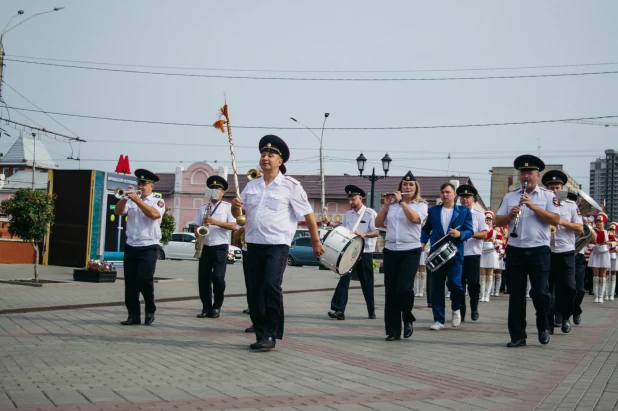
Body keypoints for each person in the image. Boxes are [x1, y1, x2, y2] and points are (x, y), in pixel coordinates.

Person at [231, 135, 324, 350]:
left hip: (277, 244)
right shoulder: (251, 185)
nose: (265, 157)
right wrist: (236, 207)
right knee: (254, 290)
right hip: (252, 243)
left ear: (280, 161)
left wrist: (315, 241)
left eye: (270, 155)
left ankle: (271, 334)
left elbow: (309, 215)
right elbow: (239, 215)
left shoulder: (291, 186)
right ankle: (260, 330)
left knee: (271, 286)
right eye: (263, 154)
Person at [495, 155, 560, 347]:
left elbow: (555, 220)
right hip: (515, 249)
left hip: (539, 249)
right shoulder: (510, 196)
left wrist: (532, 207)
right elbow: (498, 221)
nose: (526, 177)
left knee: (540, 292)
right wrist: (509, 215)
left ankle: (543, 326)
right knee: (516, 294)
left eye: (530, 173)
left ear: (537, 175)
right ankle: (518, 335)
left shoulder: (548, 196)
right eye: (523, 173)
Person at [375, 171, 427, 340]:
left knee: (404, 288)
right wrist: (385, 205)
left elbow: (414, 219)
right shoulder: (392, 205)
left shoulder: (421, 205)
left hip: (410, 250)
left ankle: (407, 317)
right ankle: (392, 330)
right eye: (405, 184)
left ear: (416, 187)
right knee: (391, 292)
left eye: (411, 184)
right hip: (391, 250)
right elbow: (377, 223)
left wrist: (402, 203)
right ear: (400, 187)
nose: (408, 187)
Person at [114, 169, 166, 326]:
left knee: (144, 279)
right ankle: (133, 315)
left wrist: (137, 200)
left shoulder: (157, 201)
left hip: (148, 246)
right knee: (130, 283)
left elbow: (154, 215)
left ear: (152, 186)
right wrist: (124, 198)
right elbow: (118, 212)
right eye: (139, 183)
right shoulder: (130, 200)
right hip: (131, 245)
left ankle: (150, 307)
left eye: (144, 184)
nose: (140, 186)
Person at [421, 182, 474, 330]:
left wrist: (460, 234)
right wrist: (422, 242)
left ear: (454, 194)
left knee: (455, 284)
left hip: (455, 253)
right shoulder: (433, 211)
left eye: (448, 192)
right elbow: (426, 229)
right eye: (443, 192)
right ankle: (439, 319)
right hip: (437, 253)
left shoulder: (464, 211)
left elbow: (470, 231)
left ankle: (456, 308)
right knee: (436, 287)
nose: (445, 195)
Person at [323, 185, 379, 320]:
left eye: (353, 199)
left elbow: (377, 231)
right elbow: (344, 230)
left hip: (365, 251)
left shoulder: (370, 213)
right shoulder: (348, 214)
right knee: (344, 277)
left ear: (360, 198)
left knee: (367, 282)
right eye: (349, 199)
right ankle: (338, 309)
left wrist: (364, 233)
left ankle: (371, 311)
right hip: (350, 251)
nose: (350, 202)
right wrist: (330, 223)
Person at [542, 170, 583, 334]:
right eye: (551, 187)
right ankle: (549, 321)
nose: (554, 190)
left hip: (566, 252)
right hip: (547, 251)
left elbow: (579, 227)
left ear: (562, 188)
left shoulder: (571, 205)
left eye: (557, 187)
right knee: (547, 290)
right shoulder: (542, 206)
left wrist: (561, 222)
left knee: (569, 288)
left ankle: (565, 316)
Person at [193, 176, 236, 319]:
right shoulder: (203, 207)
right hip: (205, 246)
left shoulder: (227, 207)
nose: (214, 191)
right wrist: (198, 235)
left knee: (218, 277)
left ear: (223, 192)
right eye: (212, 188)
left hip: (220, 246)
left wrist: (215, 222)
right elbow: (196, 225)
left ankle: (217, 306)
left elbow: (233, 225)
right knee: (203, 278)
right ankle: (206, 307)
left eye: (217, 189)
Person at [457, 185, 488, 322]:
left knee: (474, 283)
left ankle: (474, 306)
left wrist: (468, 234)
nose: (465, 200)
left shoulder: (479, 215)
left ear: (473, 199)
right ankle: (461, 310)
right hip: (457, 253)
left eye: (468, 197)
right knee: (459, 284)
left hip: (473, 253)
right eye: (462, 197)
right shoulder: (455, 213)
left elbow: (484, 233)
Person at [588, 213, 612, 303]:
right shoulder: (592, 232)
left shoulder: (607, 232)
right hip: (595, 253)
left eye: (600, 222)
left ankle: (601, 296)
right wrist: (593, 246)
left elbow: (615, 242)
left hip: (604, 254)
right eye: (597, 221)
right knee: (596, 275)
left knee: (603, 275)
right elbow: (588, 243)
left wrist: (609, 243)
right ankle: (596, 296)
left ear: (604, 223)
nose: (598, 223)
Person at [480, 211, 502, 302]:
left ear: (492, 221)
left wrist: (495, 241)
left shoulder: (495, 232)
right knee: (482, 275)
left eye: (489, 219)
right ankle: (482, 294)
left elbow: (501, 243)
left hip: (491, 253)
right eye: (486, 219)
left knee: (489, 274)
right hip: (482, 252)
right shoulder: (481, 230)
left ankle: (487, 295)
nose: (487, 221)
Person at [606, 222, 617, 301]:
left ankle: (612, 294)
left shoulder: (616, 238)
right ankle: (606, 293)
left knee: (613, 275)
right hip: (607, 256)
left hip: (615, 257)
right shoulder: (606, 237)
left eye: (613, 229)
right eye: (610, 229)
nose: (611, 230)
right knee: (606, 274)